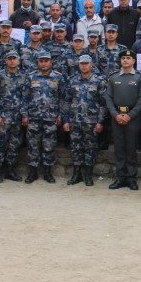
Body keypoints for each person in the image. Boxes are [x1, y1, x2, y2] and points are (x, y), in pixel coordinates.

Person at [104, 49, 141, 190]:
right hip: (117, 116)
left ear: (133, 61)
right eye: (123, 58)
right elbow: (108, 98)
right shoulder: (114, 77)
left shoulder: (139, 78)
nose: (125, 60)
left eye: (128, 58)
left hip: (132, 117)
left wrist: (130, 115)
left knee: (131, 148)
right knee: (119, 148)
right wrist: (115, 114)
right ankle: (120, 177)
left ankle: (131, 178)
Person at [62, 54, 106, 186]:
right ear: (79, 65)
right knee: (76, 148)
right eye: (82, 63)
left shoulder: (98, 81)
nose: (84, 66)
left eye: (86, 63)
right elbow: (66, 101)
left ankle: (88, 175)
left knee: (90, 148)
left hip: (91, 121)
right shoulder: (72, 80)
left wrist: (100, 122)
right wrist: (66, 120)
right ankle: (77, 174)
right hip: (75, 120)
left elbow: (103, 104)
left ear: (91, 64)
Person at [21, 52, 65, 184]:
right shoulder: (31, 77)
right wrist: (24, 115)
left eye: (46, 61)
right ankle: (32, 172)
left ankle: (47, 172)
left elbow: (62, 98)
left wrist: (60, 115)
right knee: (33, 145)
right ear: (37, 63)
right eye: (41, 61)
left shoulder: (58, 77)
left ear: (51, 62)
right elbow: (25, 98)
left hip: (51, 118)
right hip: (33, 117)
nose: (44, 63)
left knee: (49, 146)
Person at [0, 50, 24, 182]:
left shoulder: (23, 76)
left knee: (14, 145)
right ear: (6, 61)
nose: (12, 61)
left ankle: (10, 170)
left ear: (18, 60)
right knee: (0, 145)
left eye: (14, 58)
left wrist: (24, 115)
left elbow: (26, 97)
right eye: (10, 59)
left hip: (17, 118)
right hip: (3, 118)